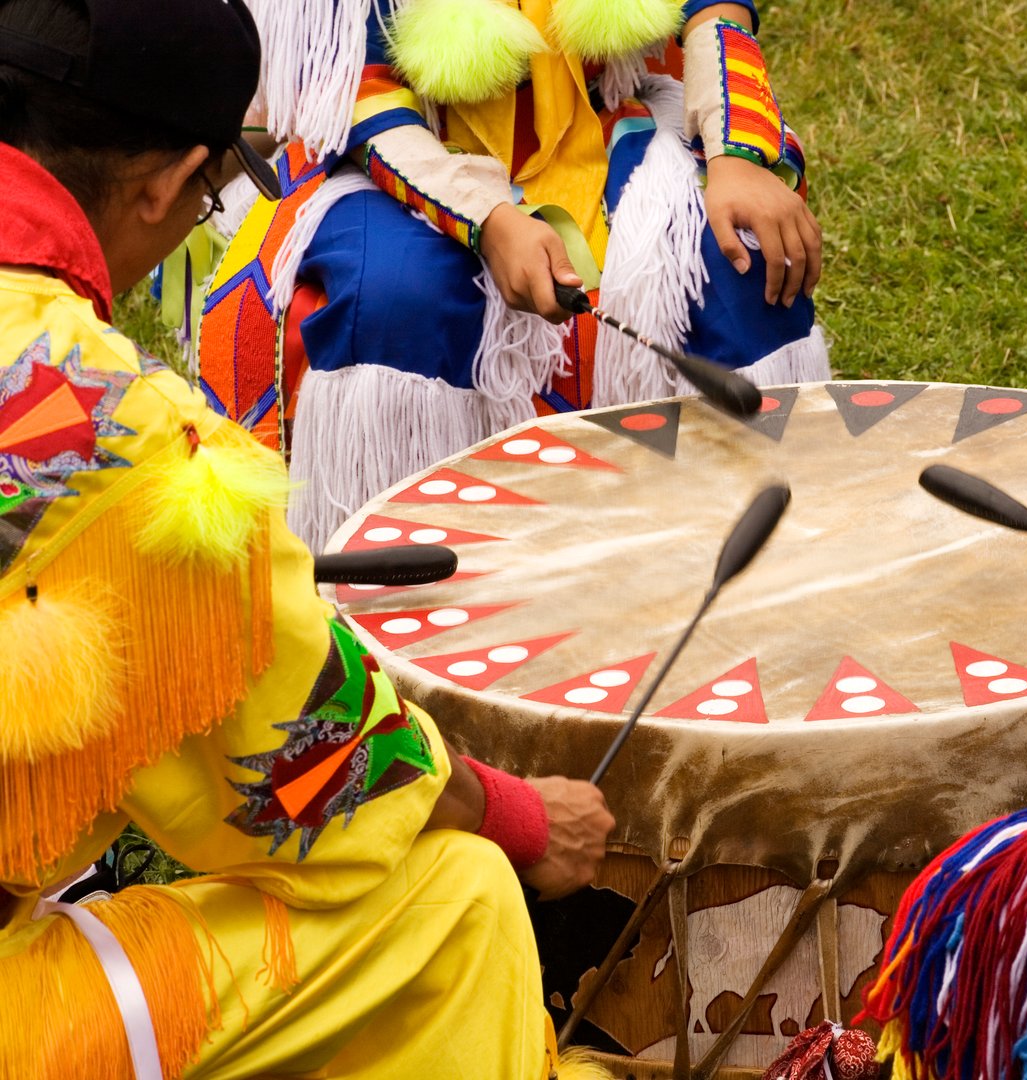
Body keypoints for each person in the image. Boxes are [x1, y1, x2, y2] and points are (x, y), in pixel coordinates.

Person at [0, 1, 614, 1076]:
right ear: (164, 181)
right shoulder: (107, 432)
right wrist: (514, 814)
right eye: (203, 200)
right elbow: (305, 766)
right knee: (452, 903)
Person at [197, 0, 829, 550]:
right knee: (399, 297)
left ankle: (737, 550)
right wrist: (489, 222)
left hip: (609, 110)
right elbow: (362, 91)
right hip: (396, 143)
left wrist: (736, 156)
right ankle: (392, 584)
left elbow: (714, 8)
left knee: (734, 260)